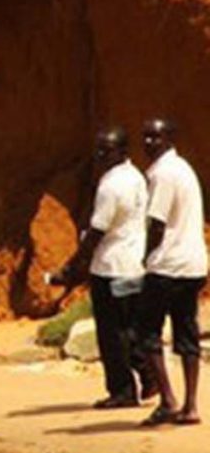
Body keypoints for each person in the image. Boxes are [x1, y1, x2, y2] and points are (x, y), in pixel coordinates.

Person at [47, 126, 152, 408]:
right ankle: (149, 375)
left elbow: (96, 232)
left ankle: (123, 391)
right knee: (130, 327)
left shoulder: (111, 185)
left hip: (110, 267)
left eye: (107, 149)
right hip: (133, 264)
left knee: (111, 332)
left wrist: (72, 267)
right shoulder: (136, 176)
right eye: (99, 149)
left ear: (122, 150)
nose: (101, 155)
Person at [136, 120, 207, 428]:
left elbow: (157, 224)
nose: (149, 142)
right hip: (192, 265)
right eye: (146, 137)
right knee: (187, 334)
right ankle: (190, 406)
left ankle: (168, 401)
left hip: (167, 265)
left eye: (155, 136)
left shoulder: (163, 174)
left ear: (169, 139)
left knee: (147, 332)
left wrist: (143, 258)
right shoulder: (183, 168)